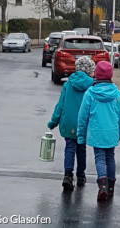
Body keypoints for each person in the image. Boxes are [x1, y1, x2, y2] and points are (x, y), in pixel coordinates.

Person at [77, 61, 120, 201]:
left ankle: (102, 185)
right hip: (111, 133)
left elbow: (82, 117)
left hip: (96, 133)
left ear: (97, 75)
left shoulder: (90, 94)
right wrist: (118, 134)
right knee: (110, 158)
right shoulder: (118, 94)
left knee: (99, 158)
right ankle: (111, 186)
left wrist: (81, 136)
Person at [48, 56, 95, 191]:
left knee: (69, 148)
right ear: (89, 71)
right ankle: (81, 175)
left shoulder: (68, 84)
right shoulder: (91, 85)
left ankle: (68, 175)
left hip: (68, 122)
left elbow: (60, 105)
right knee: (81, 149)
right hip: (84, 124)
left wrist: (53, 122)